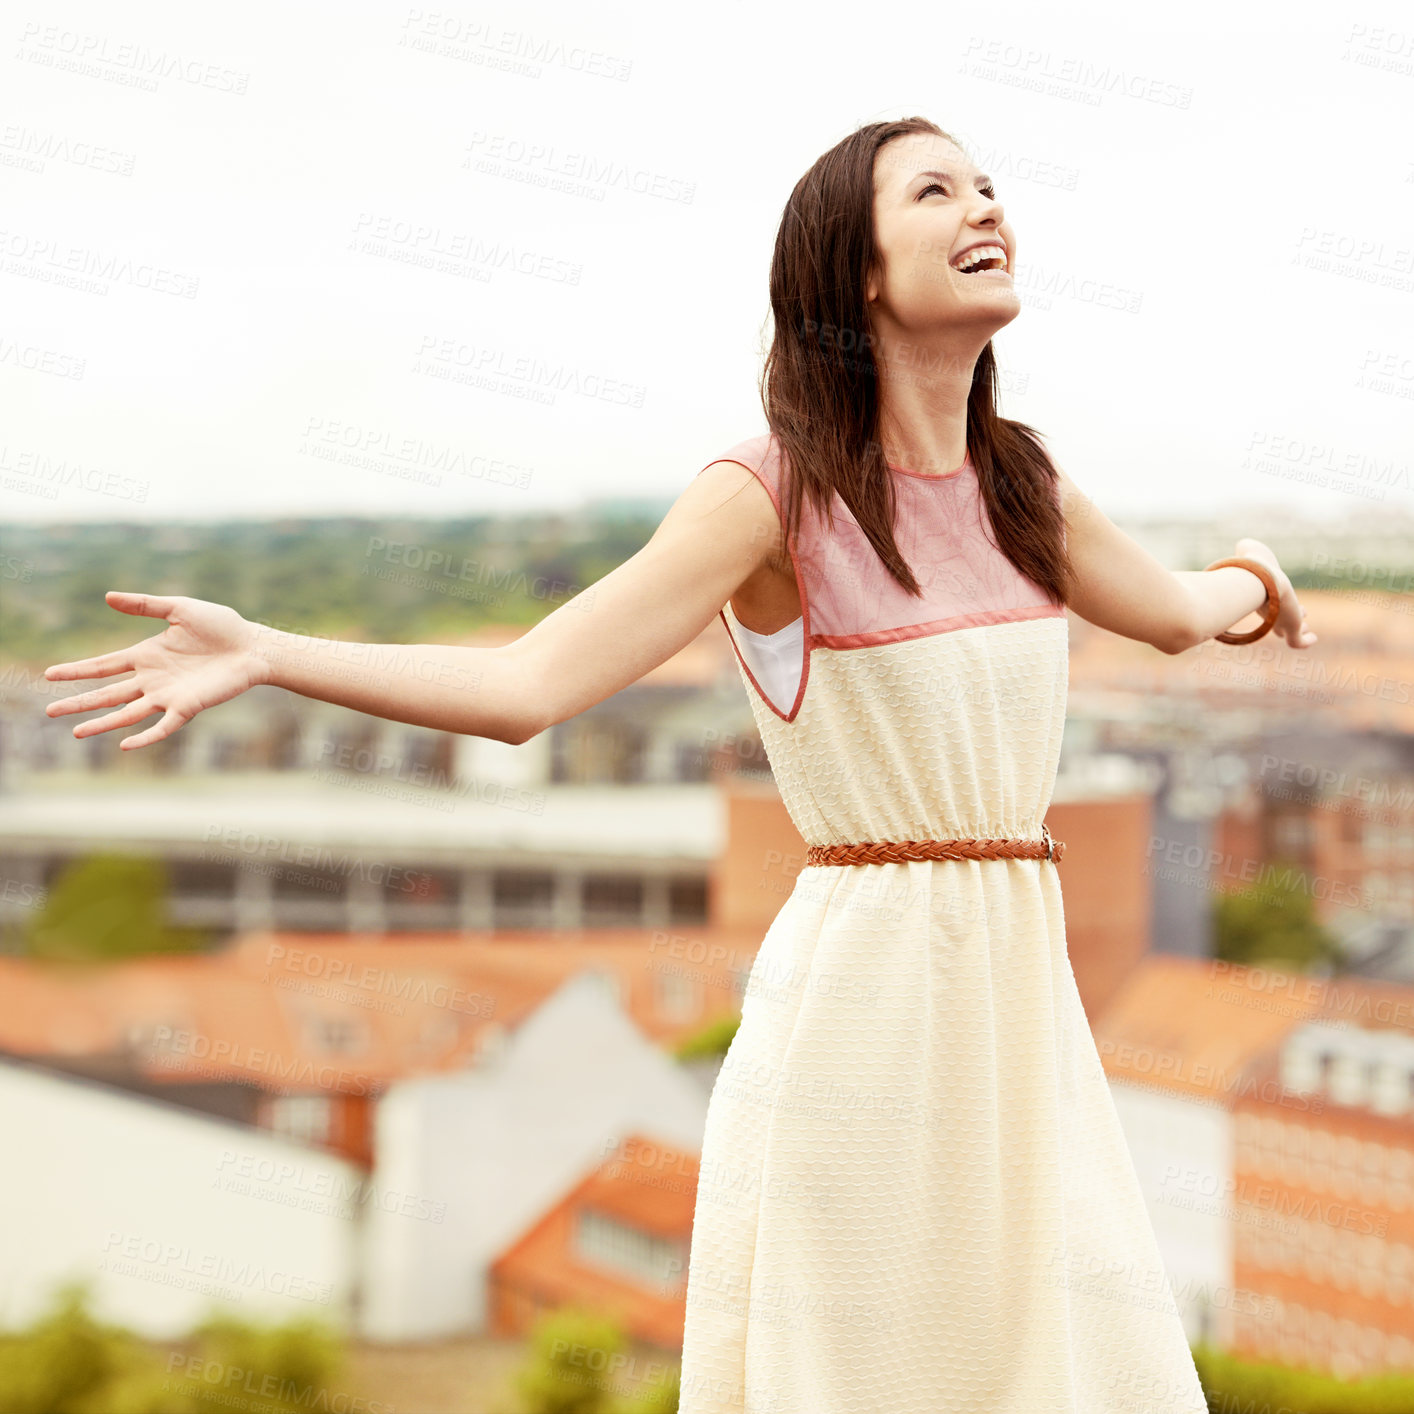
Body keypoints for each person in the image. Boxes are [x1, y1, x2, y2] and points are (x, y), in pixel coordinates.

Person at [44, 117, 1315, 1412]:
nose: (984, 206)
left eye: (989, 185)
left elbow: (1168, 610)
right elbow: (523, 687)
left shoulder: (1022, 482)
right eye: (935, 191)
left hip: (1016, 997)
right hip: (867, 1001)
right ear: (856, 270)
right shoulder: (768, 494)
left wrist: (1253, 574)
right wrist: (266, 650)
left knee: (1073, 1360)